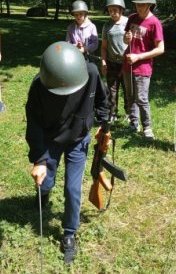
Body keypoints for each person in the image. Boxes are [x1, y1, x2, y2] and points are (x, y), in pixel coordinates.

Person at [25, 41, 109, 264]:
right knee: (46, 181)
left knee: (73, 189)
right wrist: (40, 159)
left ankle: (69, 233)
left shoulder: (90, 72)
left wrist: (103, 121)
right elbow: (33, 125)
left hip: (78, 138)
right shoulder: (38, 86)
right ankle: (43, 195)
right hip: (50, 140)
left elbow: (102, 98)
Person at [122, 0, 164, 140]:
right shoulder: (132, 18)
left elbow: (160, 49)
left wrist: (139, 57)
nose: (139, 7)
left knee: (142, 98)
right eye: (137, 4)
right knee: (130, 96)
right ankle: (134, 123)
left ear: (150, 4)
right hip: (128, 65)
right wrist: (126, 39)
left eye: (143, 5)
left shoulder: (154, 23)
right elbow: (126, 40)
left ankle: (147, 127)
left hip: (143, 68)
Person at [101, 0, 129, 122]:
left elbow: (134, 44)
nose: (112, 13)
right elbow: (104, 47)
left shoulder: (128, 22)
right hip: (111, 63)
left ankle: (129, 113)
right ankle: (113, 113)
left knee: (128, 89)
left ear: (121, 9)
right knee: (112, 90)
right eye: (110, 10)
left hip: (126, 63)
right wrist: (103, 61)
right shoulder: (107, 26)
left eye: (115, 10)